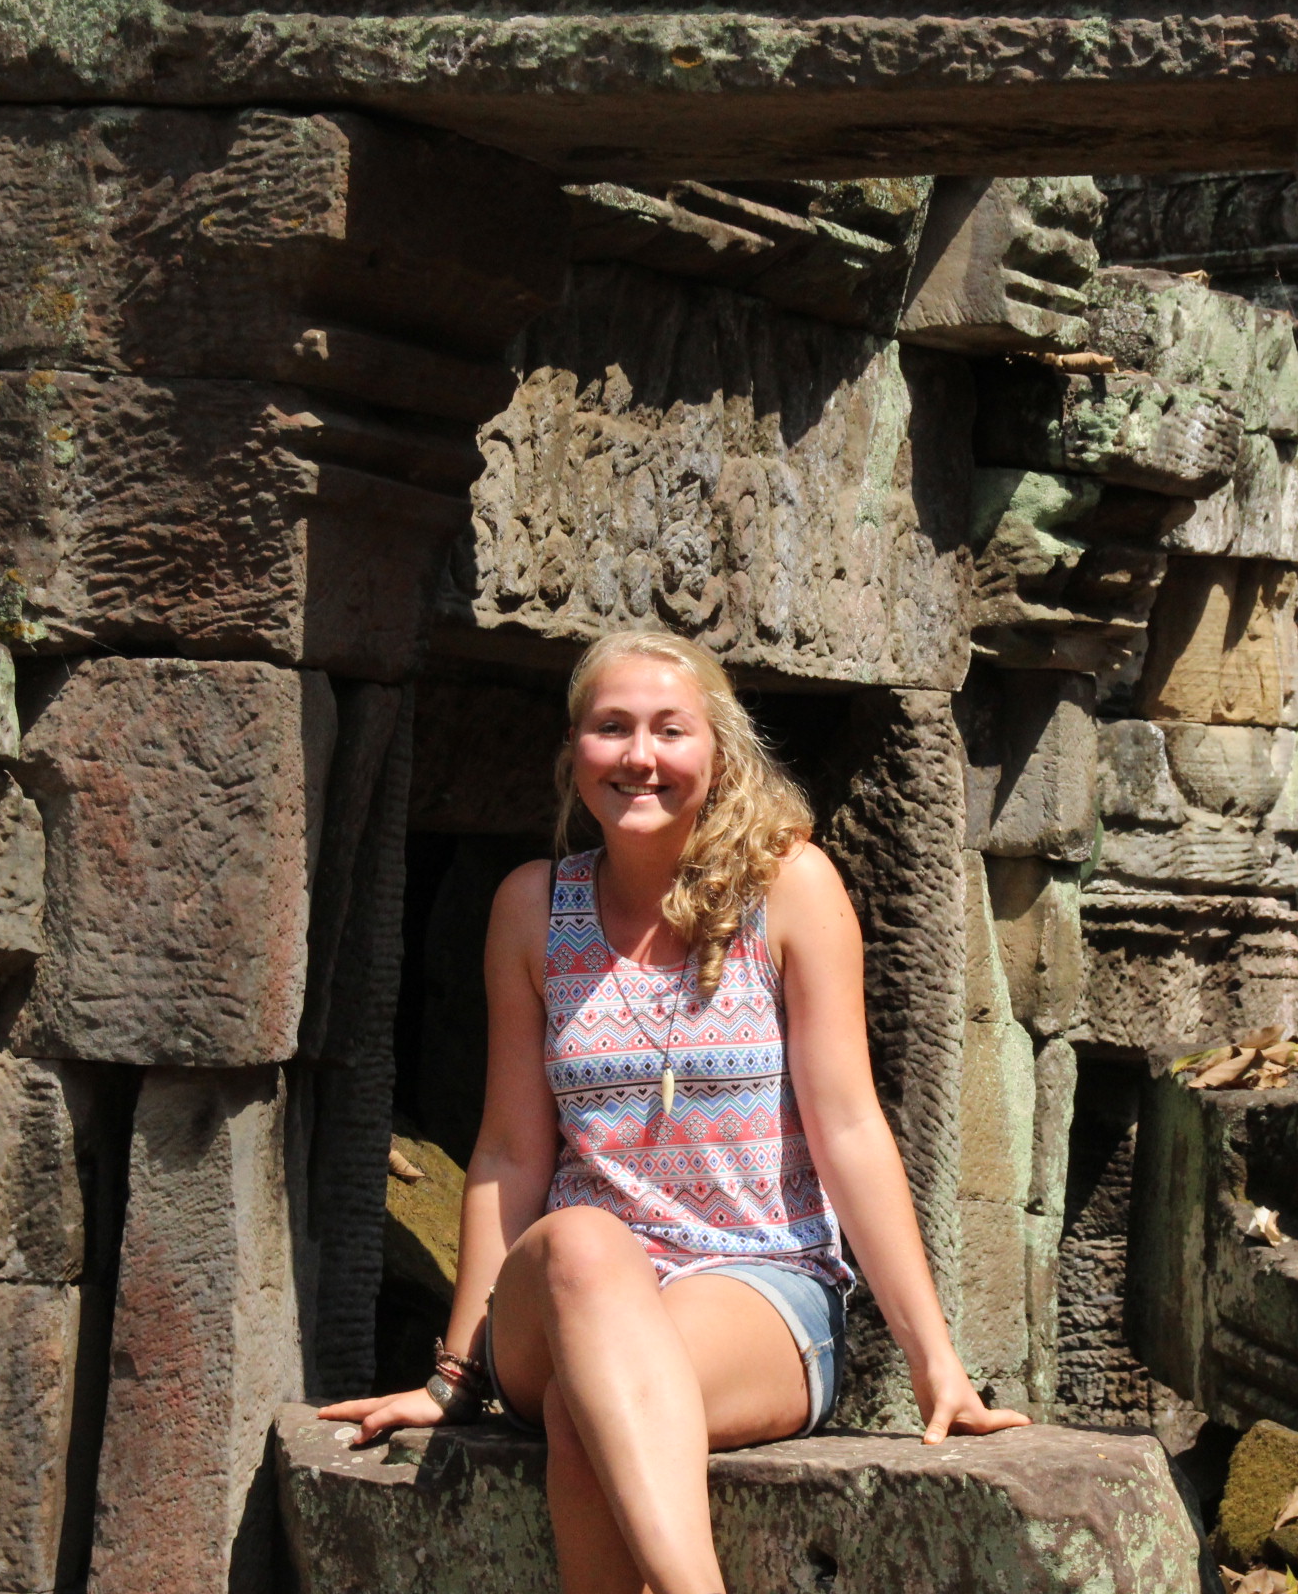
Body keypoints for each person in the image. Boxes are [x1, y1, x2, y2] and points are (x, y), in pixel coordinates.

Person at [322, 629, 1027, 1594]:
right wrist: (454, 1377)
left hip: (758, 1284)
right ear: (574, 751)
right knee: (583, 1244)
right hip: (563, 1291)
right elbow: (509, 1153)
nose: (640, 756)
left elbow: (850, 1127)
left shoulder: (791, 889)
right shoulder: (531, 908)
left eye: (669, 730)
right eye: (612, 728)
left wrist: (933, 1358)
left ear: (720, 752)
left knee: (591, 1404)